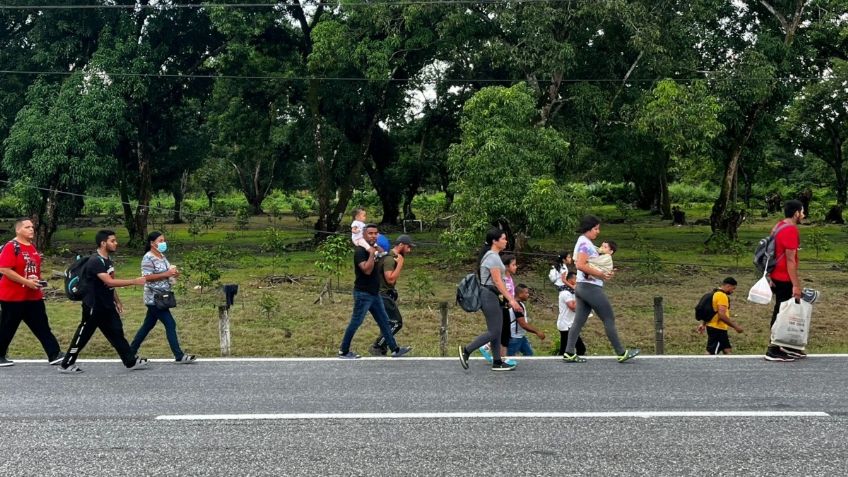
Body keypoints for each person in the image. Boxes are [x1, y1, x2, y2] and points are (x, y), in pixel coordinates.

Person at [58, 230, 150, 374]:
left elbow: (110, 285)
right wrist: (134, 281)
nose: (116, 243)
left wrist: (117, 301)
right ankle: (66, 364)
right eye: (112, 241)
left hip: (106, 305)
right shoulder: (95, 261)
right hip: (94, 306)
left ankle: (130, 361)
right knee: (83, 335)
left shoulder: (107, 261)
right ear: (103, 243)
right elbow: (108, 280)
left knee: (116, 332)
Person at [562, 216, 639, 364]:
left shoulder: (583, 241)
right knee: (608, 318)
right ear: (589, 229)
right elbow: (580, 265)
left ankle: (569, 352)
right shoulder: (585, 243)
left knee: (578, 321)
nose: (598, 231)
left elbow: (590, 264)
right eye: (596, 229)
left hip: (582, 287)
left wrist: (603, 272)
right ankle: (621, 352)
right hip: (590, 288)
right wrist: (602, 274)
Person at [339, 224, 412, 359]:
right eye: (370, 233)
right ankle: (343, 351)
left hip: (375, 293)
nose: (373, 236)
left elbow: (384, 256)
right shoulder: (360, 251)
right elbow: (366, 269)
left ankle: (395, 349)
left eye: (375, 233)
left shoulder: (375, 249)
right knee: (356, 322)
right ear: (364, 235)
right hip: (363, 293)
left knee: (384, 321)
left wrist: (377, 250)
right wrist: (372, 253)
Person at [0, 218, 64, 367]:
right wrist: (26, 281)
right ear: (18, 230)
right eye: (27, 227)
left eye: (32, 227)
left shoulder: (32, 247)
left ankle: (54, 354)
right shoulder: (12, 246)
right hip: (13, 297)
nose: (31, 229)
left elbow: (30, 269)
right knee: (7, 326)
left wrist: (36, 280)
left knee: (42, 325)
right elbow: (4, 269)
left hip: (33, 295)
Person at [458, 228, 522, 371]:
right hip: (489, 296)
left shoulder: (493, 255)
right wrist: (511, 299)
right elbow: (497, 281)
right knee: (494, 331)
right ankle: (466, 350)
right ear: (495, 241)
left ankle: (497, 362)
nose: (506, 241)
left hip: (491, 296)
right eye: (504, 238)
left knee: (496, 331)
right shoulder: (492, 257)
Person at [129, 231, 196, 364]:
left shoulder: (162, 256)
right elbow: (146, 277)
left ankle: (129, 352)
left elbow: (168, 273)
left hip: (163, 296)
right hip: (154, 297)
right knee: (170, 324)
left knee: (147, 326)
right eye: (160, 241)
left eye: (163, 240)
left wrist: (174, 273)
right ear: (152, 243)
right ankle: (179, 355)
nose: (163, 243)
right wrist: (166, 274)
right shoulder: (148, 258)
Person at [765, 200, 806, 362]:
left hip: (775, 275)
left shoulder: (778, 226)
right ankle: (773, 348)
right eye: (802, 212)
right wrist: (796, 285)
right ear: (796, 213)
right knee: (782, 313)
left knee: (784, 311)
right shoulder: (790, 230)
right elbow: (790, 260)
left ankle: (787, 346)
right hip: (784, 277)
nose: (803, 215)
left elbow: (771, 252)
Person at [369, 234, 416, 356]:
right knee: (396, 322)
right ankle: (378, 345)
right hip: (383, 295)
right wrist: (400, 264)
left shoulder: (388, 256)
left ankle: (382, 348)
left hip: (383, 294)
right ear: (401, 245)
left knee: (388, 323)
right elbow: (390, 279)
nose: (409, 250)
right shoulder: (390, 258)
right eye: (408, 247)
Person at [697, 277, 743, 355]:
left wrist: (703, 324)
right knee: (711, 352)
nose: (733, 291)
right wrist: (736, 327)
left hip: (714, 327)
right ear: (728, 286)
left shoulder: (714, 294)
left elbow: (711, 311)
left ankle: (729, 366)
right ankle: (705, 366)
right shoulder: (722, 296)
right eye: (733, 288)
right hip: (718, 328)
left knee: (727, 350)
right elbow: (722, 315)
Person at [507, 284, 545, 356]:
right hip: (515, 337)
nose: (528, 295)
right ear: (520, 294)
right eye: (526, 293)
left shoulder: (517, 304)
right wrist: (537, 332)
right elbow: (523, 324)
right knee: (509, 358)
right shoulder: (518, 306)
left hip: (520, 336)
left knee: (529, 354)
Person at [557, 271, 586, 356]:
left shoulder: (572, 292)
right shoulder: (565, 293)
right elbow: (573, 307)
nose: (578, 281)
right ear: (570, 280)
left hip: (570, 324)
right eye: (576, 279)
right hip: (566, 325)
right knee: (580, 348)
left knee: (566, 350)